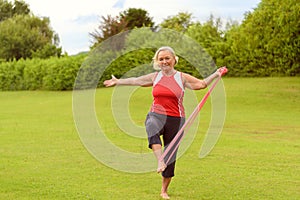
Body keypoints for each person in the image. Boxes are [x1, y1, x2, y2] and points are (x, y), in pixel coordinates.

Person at [104, 46, 226, 199]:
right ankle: (159, 160)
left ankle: (164, 190)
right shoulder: (155, 77)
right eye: (161, 59)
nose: (164, 61)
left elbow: (201, 84)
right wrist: (118, 81)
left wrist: (216, 74)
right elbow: (136, 80)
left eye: (167, 58)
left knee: (171, 157)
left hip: (176, 119)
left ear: (174, 59)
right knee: (151, 127)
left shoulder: (182, 77)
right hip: (156, 114)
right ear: (157, 62)